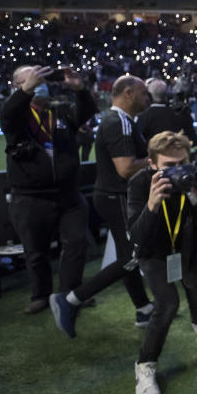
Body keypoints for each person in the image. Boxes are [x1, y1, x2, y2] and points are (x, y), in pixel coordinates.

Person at [49, 76, 154, 337]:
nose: (147, 98)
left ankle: (143, 308)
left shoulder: (123, 121)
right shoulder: (118, 122)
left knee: (126, 256)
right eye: (143, 93)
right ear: (128, 93)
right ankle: (71, 299)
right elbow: (126, 168)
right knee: (132, 256)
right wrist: (154, 161)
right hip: (117, 197)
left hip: (113, 196)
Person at [127, 131, 197, 394]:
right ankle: (145, 364)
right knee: (167, 304)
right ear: (152, 164)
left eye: (182, 162)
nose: (178, 170)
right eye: (169, 165)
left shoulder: (196, 179)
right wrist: (151, 205)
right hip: (154, 253)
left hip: (188, 249)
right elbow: (135, 237)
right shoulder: (139, 183)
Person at [0, 65, 97, 314]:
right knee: (36, 251)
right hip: (30, 195)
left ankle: (69, 294)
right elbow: (7, 114)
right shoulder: (18, 115)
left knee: (76, 243)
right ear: (17, 85)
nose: (39, 81)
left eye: (41, 77)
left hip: (68, 193)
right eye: (32, 78)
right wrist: (25, 91)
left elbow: (86, 113)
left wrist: (80, 89)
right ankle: (40, 295)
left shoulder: (59, 111)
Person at [137, 78, 197, 146]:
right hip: (178, 155)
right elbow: (193, 140)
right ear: (167, 94)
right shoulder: (182, 114)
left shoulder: (142, 117)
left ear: (149, 96)